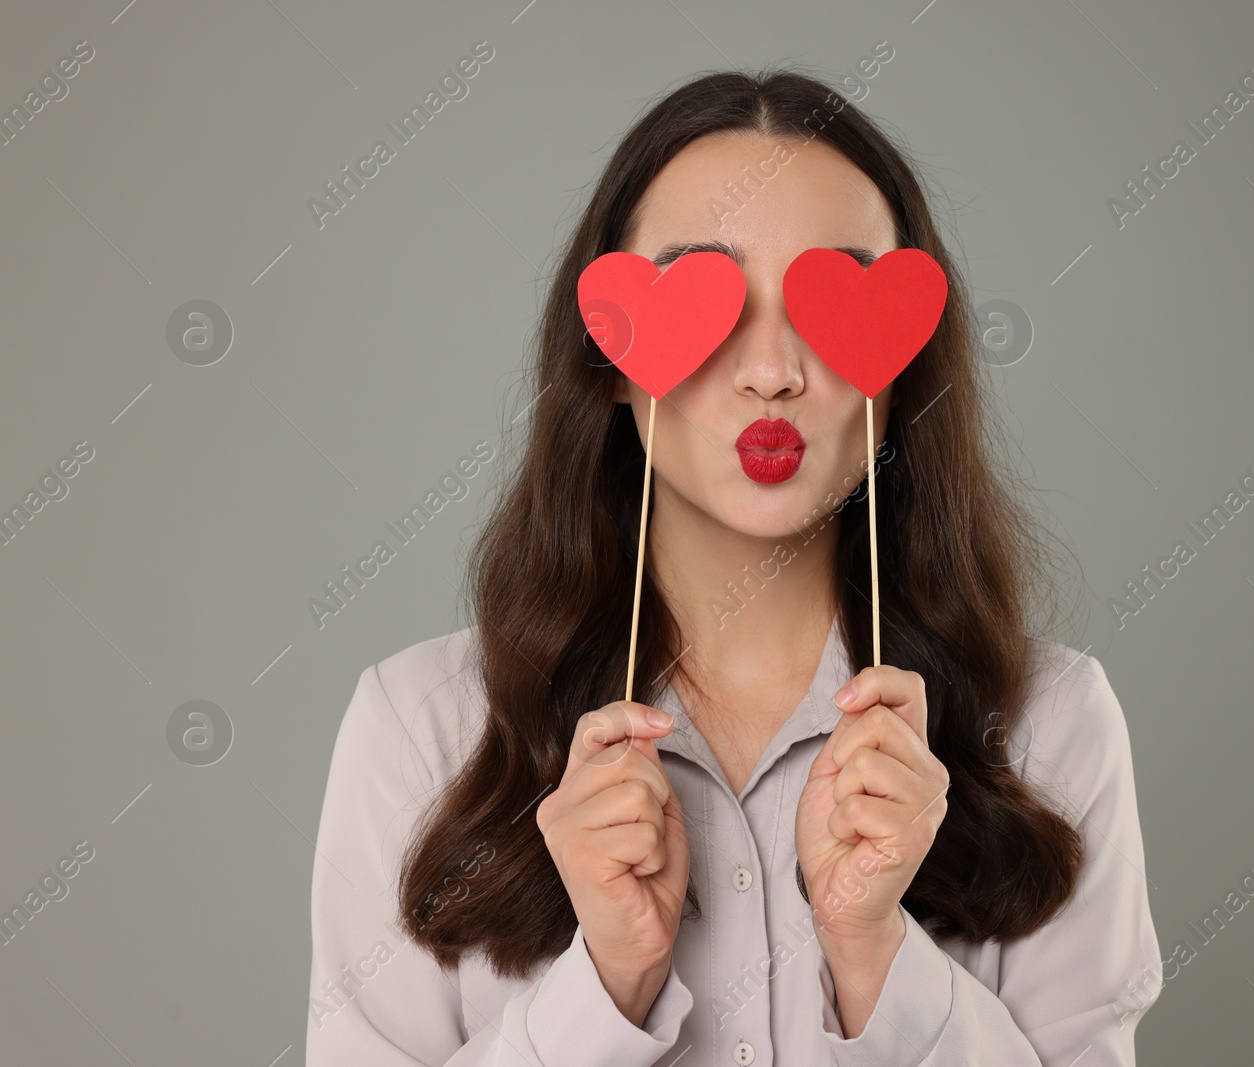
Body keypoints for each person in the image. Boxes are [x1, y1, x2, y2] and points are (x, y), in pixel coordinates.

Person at [306, 66, 1162, 1066]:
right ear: (610, 364)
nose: (773, 371)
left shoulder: (1054, 726)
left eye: (828, 300)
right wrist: (605, 988)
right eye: (702, 297)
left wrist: (874, 953)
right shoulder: (421, 730)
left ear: (903, 367)